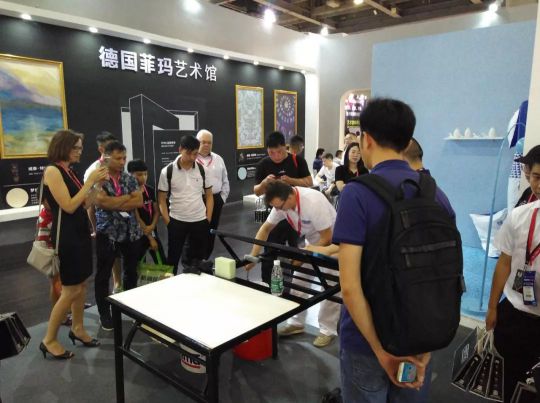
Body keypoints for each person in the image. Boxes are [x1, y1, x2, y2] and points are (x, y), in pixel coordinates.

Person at [333, 98, 456, 402]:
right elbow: (447, 275)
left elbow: (349, 287)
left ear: (367, 139)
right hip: (419, 336)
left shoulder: (357, 195)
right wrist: (426, 347)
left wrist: (381, 352)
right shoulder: (435, 194)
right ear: (407, 141)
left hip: (365, 344)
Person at [246, 181, 340, 347]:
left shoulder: (312, 202)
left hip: (333, 246)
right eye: (276, 207)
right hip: (311, 243)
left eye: (280, 207)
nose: (279, 210)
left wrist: (304, 256)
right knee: (298, 283)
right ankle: (296, 323)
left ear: (290, 196)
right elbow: (265, 229)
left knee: (329, 287)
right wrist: (253, 256)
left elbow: (327, 237)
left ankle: (327, 330)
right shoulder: (281, 204)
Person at [40, 129, 108, 359]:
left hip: (80, 233)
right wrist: (90, 181)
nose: (80, 151)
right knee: (70, 290)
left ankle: (78, 328)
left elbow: (85, 203)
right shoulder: (53, 171)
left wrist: (96, 186)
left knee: (81, 286)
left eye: (80, 147)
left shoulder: (71, 171)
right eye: (76, 148)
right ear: (64, 148)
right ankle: (49, 340)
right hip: (67, 237)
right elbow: (68, 206)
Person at [486, 145, 540, 402]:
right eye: (536, 176)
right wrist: (492, 308)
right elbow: (504, 263)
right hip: (515, 312)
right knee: (508, 378)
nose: (539, 184)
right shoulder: (520, 215)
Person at [94, 141, 144, 331]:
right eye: (118, 158)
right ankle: (104, 313)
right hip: (107, 232)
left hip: (131, 231)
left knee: (131, 271)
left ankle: (130, 307)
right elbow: (101, 202)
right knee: (103, 275)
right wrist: (126, 198)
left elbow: (138, 201)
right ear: (107, 157)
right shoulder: (98, 178)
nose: (123, 162)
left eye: (124, 158)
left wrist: (114, 202)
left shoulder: (129, 178)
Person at [254, 131, 312, 284]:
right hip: (274, 212)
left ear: (285, 147)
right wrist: (264, 183)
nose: (276, 156)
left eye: (279, 152)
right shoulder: (263, 164)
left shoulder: (297, 160)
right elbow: (257, 191)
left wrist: (291, 180)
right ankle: (267, 283)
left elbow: (309, 182)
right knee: (270, 250)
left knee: (297, 250)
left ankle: (297, 285)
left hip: (296, 213)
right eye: (272, 153)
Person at [158, 135, 213, 275]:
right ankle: (172, 285)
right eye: (188, 153)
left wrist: (208, 218)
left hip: (199, 220)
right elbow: (161, 199)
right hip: (177, 221)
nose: (192, 157)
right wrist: (168, 222)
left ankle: (195, 284)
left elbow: (209, 195)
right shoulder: (167, 171)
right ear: (180, 149)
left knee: (198, 260)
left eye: (195, 154)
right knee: (173, 259)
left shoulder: (203, 170)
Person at [84, 131, 123, 293]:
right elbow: (90, 203)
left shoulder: (119, 167)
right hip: (105, 224)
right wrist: (95, 228)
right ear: (101, 149)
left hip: (122, 222)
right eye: (109, 148)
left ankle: (119, 284)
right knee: (106, 261)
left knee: (119, 256)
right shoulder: (93, 170)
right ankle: (106, 295)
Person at [196, 129, 229, 259]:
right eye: (203, 142)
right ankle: (194, 260)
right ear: (197, 142)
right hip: (197, 201)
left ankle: (206, 258)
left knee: (211, 231)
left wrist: (222, 199)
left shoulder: (218, 159)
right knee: (196, 231)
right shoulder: (192, 159)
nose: (206, 145)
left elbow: (225, 180)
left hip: (215, 200)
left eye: (209, 142)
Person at [127, 159, 166, 263]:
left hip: (152, 230)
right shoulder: (129, 193)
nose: (143, 177)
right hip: (138, 234)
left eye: (145, 174)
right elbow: (136, 217)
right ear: (130, 175)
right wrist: (150, 237)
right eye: (139, 174)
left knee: (162, 261)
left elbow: (156, 211)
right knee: (139, 264)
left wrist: (152, 226)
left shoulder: (150, 189)